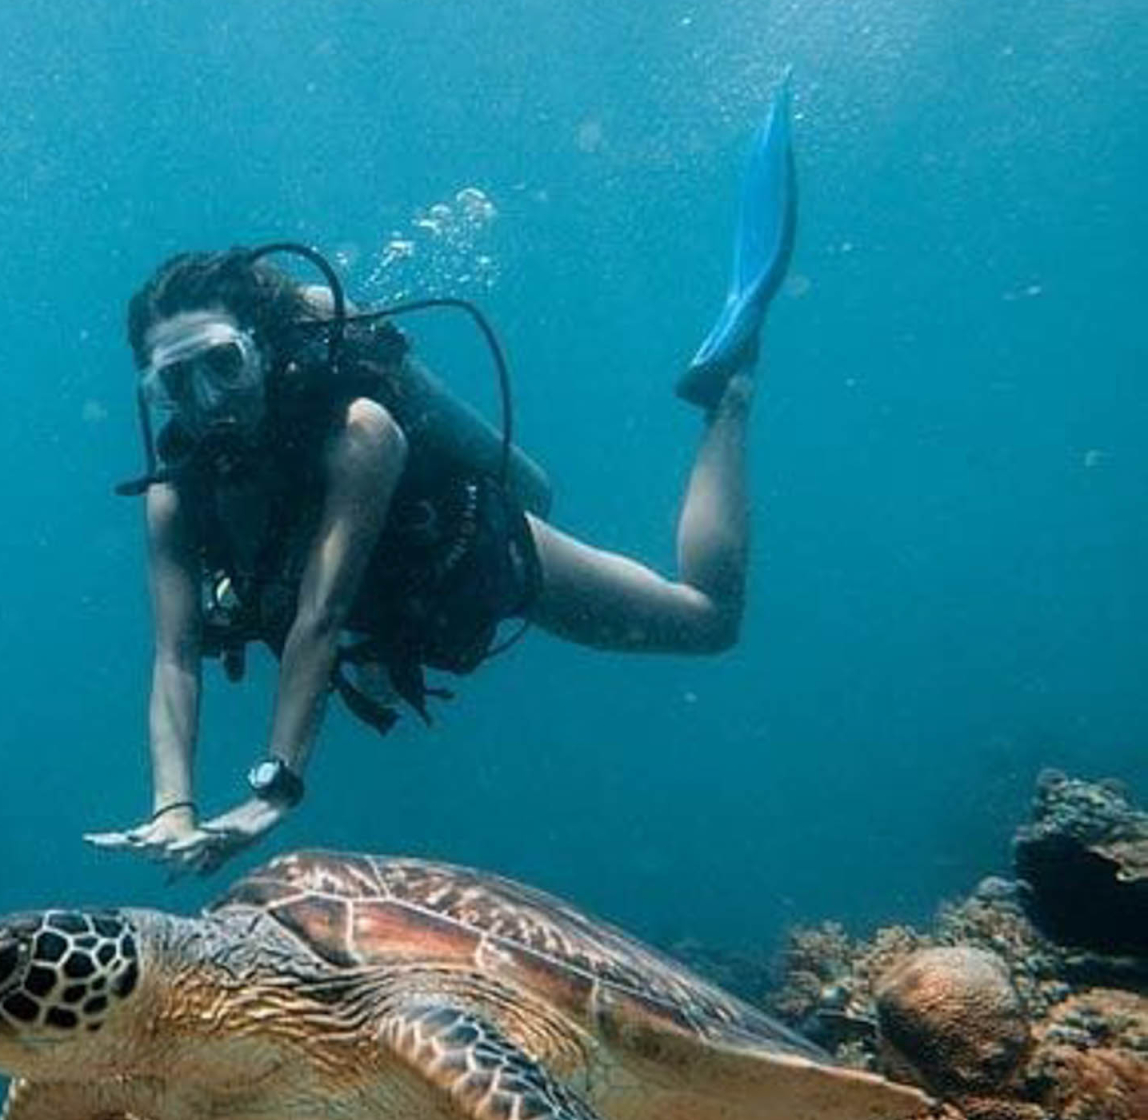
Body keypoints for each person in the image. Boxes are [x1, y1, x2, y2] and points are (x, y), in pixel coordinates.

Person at [86, 78, 797, 876]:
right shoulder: (174, 497)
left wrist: (276, 787)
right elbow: (174, 656)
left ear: (262, 348)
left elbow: (323, 614)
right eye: (175, 385)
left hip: (460, 556)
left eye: (222, 364)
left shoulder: (361, 433)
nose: (208, 402)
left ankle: (727, 395)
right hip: (375, 618)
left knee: (707, 621)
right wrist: (170, 806)